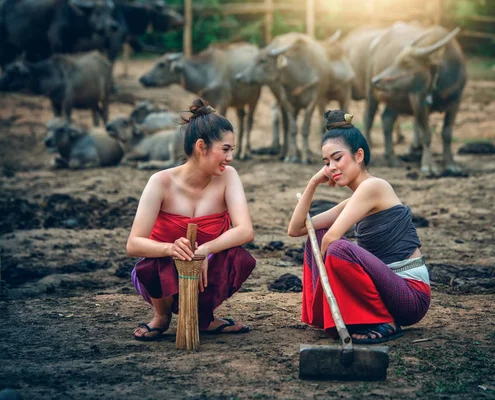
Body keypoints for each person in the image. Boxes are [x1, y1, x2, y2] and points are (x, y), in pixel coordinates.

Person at [287, 110, 431, 344]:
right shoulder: (355, 199)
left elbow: (332, 240)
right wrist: (313, 183)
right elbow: (298, 229)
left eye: (337, 158)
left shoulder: (373, 187)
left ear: (359, 155)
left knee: (337, 248)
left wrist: (330, 267)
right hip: (387, 292)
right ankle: (344, 314)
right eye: (326, 163)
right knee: (319, 234)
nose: (331, 167)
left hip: (410, 296)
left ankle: (386, 322)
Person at [128, 98, 256, 341]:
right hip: (163, 278)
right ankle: (161, 316)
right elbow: (133, 244)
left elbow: (245, 230)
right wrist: (170, 248)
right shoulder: (160, 182)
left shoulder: (228, 177)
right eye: (225, 149)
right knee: (155, 261)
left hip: (206, 274)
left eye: (232, 151)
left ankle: (205, 318)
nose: (229, 158)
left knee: (236, 254)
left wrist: (205, 250)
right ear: (201, 146)